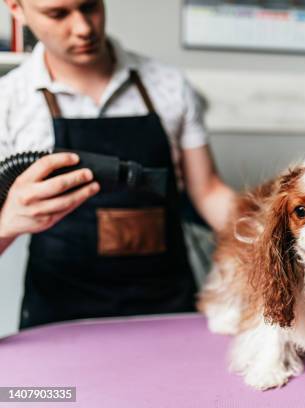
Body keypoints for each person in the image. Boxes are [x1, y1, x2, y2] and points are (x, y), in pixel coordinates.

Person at [0, 0, 236, 329]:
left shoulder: (168, 86)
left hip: (167, 308)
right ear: (17, 9)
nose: (83, 28)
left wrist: (268, 233)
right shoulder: (9, 102)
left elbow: (208, 190)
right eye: (58, 14)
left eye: (90, 6)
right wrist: (7, 223)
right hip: (60, 317)